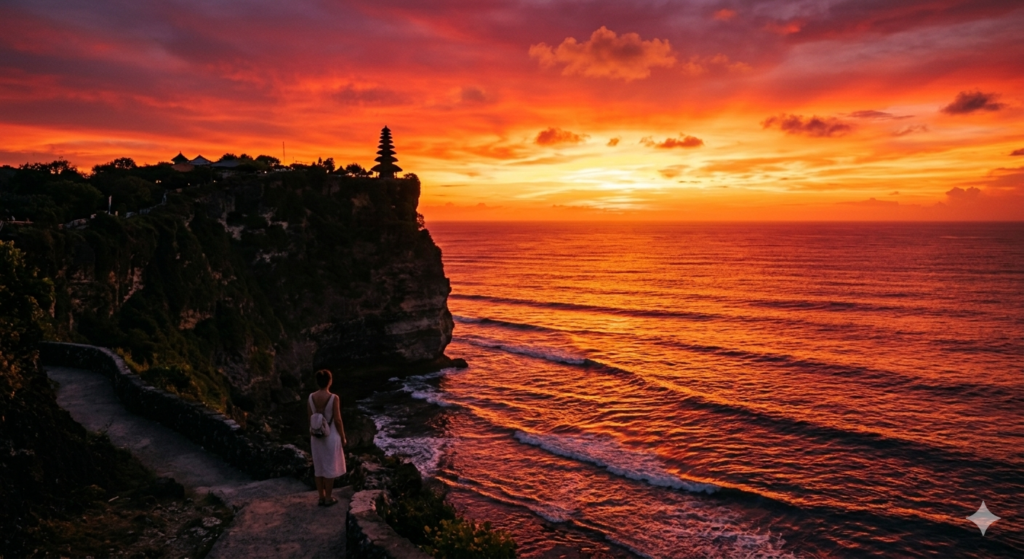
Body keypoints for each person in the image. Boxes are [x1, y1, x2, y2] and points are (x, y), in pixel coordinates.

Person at [308, 369, 347, 506]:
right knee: (330, 467)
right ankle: (329, 498)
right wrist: (343, 437)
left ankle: (321, 496)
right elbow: (338, 420)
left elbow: (310, 418)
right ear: (330, 381)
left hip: (316, 436)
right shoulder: (334, 398)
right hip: (331, 436)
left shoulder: (310, 397)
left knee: (318, 467)